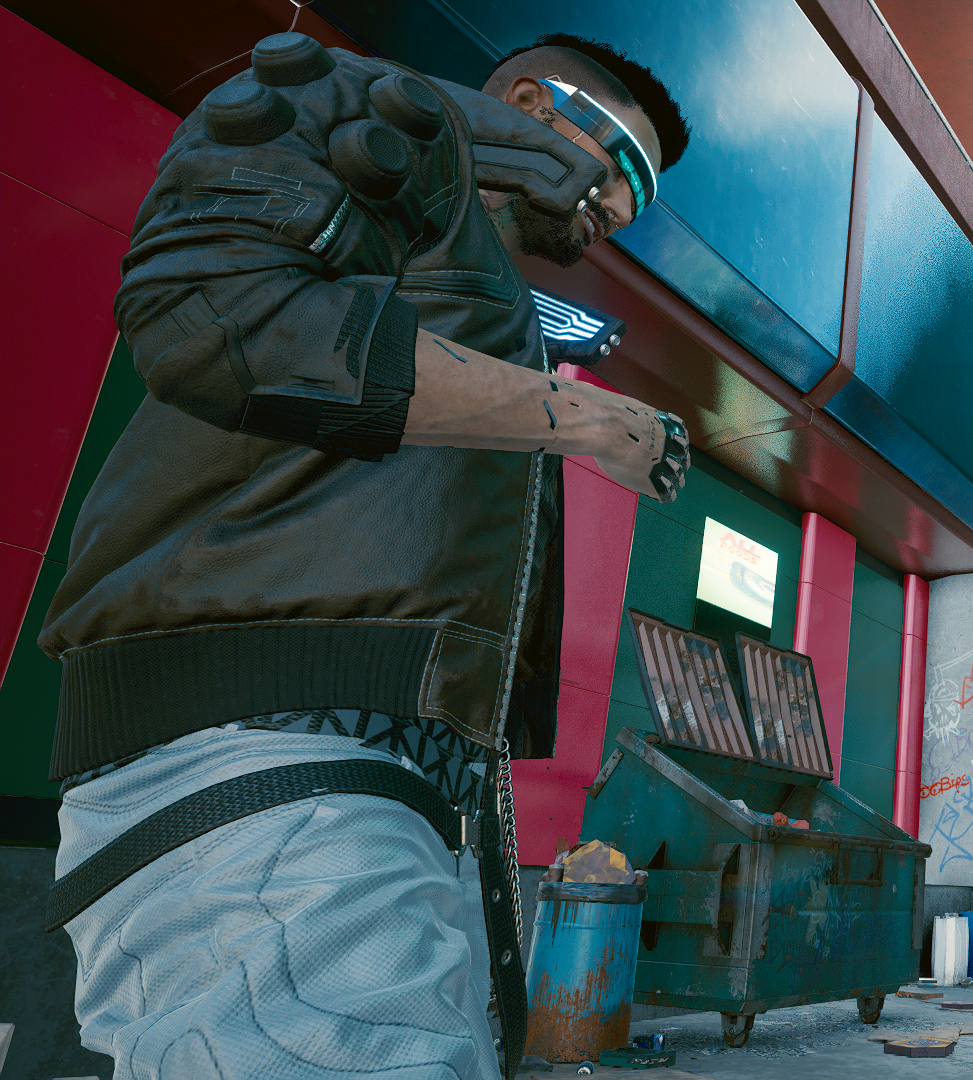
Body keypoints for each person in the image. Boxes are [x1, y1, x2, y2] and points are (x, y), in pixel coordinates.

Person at [37, 30, 692, 1079]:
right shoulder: (378, 123)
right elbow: (217, 313)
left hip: (374, 785)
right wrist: (589, 421)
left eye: (642, 195)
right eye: (623, 165)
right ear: (534, 103)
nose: (621, 207)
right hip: (266, 754)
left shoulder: (474, 283)